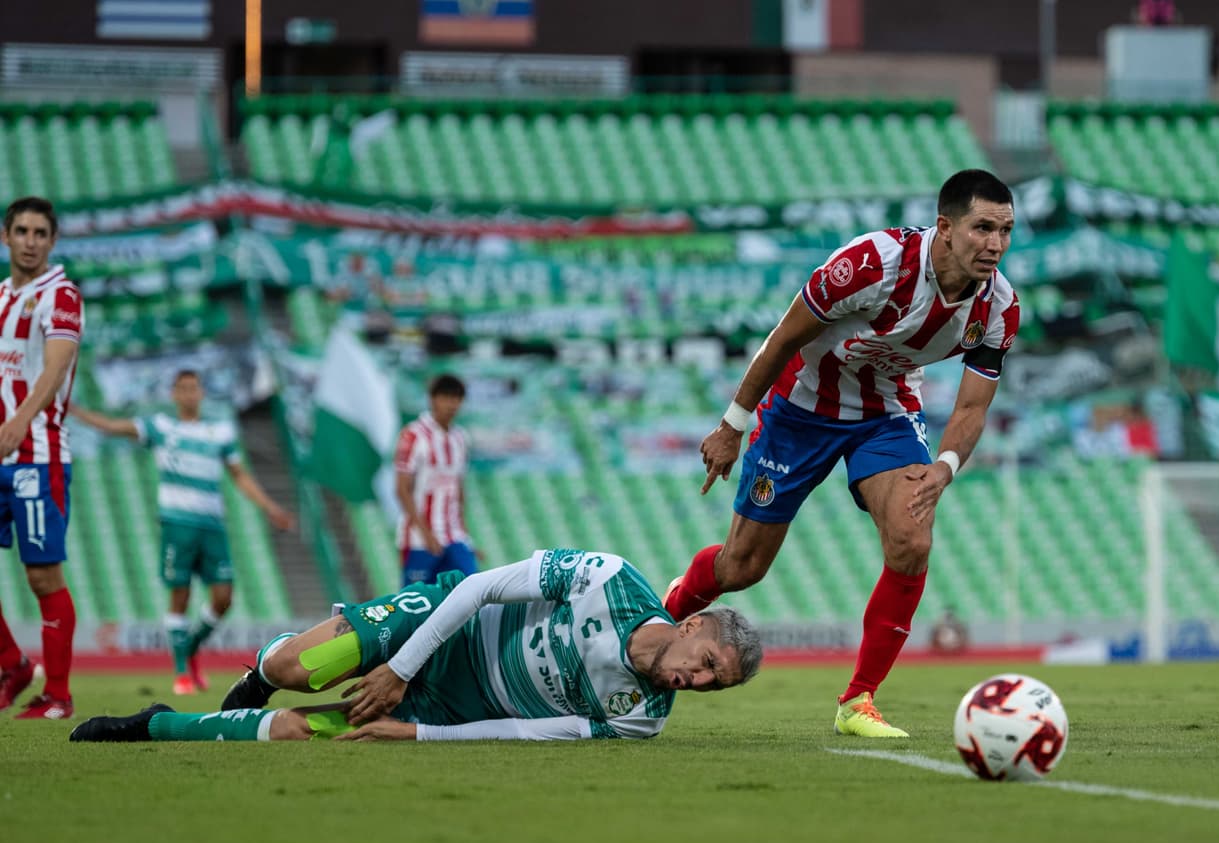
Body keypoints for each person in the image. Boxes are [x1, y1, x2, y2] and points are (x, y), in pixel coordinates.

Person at [663, 169, 1020, 738]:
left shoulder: (998, 306)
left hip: (886, 416)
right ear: (946, 228)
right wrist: (733, 424)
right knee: (742, 568)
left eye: (1005, 230)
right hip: (798, 413)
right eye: (983, 228)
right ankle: (663, 619)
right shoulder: (875, 263)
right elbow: (784, 337)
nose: (995, 244)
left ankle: (857, 701)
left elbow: (973, 407)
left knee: (912, 538)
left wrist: (945, 467)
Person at [69, 548, 763, 742]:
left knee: (295, 733)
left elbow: (536, 730)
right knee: (297, 668)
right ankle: (261, 664)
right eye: (707, 664)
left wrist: (418, 732)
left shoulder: (641, 717)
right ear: (695, 624)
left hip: (453, 708)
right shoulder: (606, 578)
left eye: (715, 685)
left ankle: (151, 724)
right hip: (439, 624)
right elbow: (484, 587)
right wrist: (401, 668)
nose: (697, 682)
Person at [69, 370, 296, 695]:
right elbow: (113, 427)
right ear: (175, 394)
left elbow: (239, 475)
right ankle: (181, 673)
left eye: (194, 388)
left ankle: (187, 651)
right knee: (181, 595)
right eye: (183, 389)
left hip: (212, 526)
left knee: (223, 598)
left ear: (201, 393)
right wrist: (76, 412)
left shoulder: (218, 432)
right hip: (178, 525)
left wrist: (270, 507)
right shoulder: (162, 427)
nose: (189, 394)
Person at [0, 197, 83, 720]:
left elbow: (54, 370)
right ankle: (12, 664)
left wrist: (17, 422)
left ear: (51, 241)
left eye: (40, 233)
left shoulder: (61, 294)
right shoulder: (0, 295)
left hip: (38, 456)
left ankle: (58, 694)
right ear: (5, 236)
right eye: (22, 231)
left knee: (42, 578)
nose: (30, 240)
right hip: (1, 452)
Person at [394, 374, 476, 588]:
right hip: (419, 539)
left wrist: (466, 534)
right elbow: (402, 489)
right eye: (446, 397)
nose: (451, 404)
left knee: (472, 592)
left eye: (456, 398)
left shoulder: (460, 438)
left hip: (454, 536)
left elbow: (458, 488)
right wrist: (426, 534)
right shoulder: (414, 435)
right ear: (432, 399)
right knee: (414, 603)